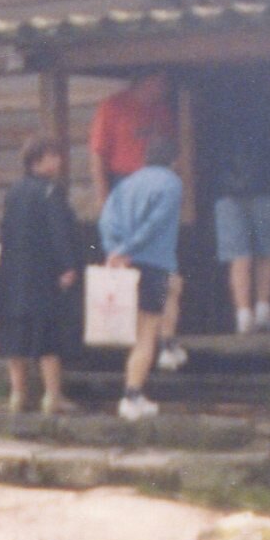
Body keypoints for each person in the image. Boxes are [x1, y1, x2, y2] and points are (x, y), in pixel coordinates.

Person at [89, 72, 187, 371]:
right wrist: (103, 197)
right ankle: (149, 346)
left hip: (152, 183)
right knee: (154, 280)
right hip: (124, 181)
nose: (165, 89)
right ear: (145, 81)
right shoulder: (113, 106)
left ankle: (162, 343)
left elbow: (172, 148)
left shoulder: (162, 111)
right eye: (161, 83)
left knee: (167, 281)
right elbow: (97, 153)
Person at [0, 135, 83, 415]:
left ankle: (17, 396)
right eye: (52, 156)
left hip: (13, 273)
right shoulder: (50, 192)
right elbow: (59, 232)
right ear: (37, 160)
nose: (58, 160)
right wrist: (68, 265)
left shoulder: (14, 191)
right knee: (47, 335)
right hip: (43, 274)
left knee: (16, 334)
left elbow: (5, 232)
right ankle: (52, 396)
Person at [96, 133, 184, 421]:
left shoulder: (126, 184)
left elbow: (106, 220)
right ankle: (132, 396)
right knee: (146, 334)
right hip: (154, 264)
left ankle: (141, 384)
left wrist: (115, 250)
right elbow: (155, 224)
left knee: (141, 325)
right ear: (174, 160)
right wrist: (128, 249)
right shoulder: (171, 183)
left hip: (126, 265)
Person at [212, 99, 270, 335]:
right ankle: (262, 311)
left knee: (238, 256)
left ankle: (243, 316)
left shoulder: (219, 120)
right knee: (265, 252)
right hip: (267, 192)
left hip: (228, 195)